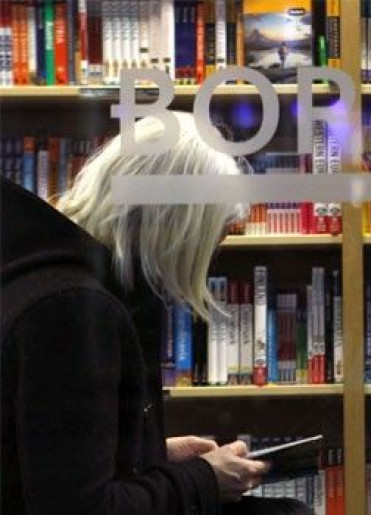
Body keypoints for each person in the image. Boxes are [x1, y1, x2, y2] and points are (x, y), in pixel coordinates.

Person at [0, 112, 310, 514]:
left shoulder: (45, 278)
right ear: (175, 229)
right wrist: (203, 478)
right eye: (208, 240)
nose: (209, 258)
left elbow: (51, 460)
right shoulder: (73, 311)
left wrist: (148, 453)